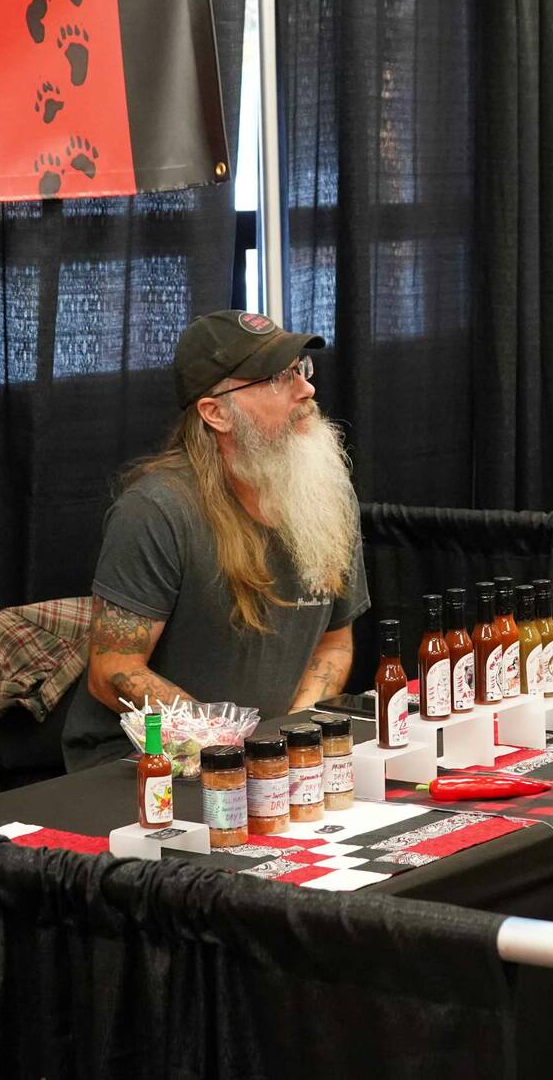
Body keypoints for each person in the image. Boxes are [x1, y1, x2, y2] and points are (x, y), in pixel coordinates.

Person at [60, 310, 369, 771]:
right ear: (216, 412)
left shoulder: (328, 493)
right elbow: (113, 673)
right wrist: (224, 744)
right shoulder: (157, 510)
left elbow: (334, 643)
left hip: (265, 760)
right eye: (276, 379)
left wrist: (285, 737)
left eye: (300, 370)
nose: (306, 390)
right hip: (144, 765)